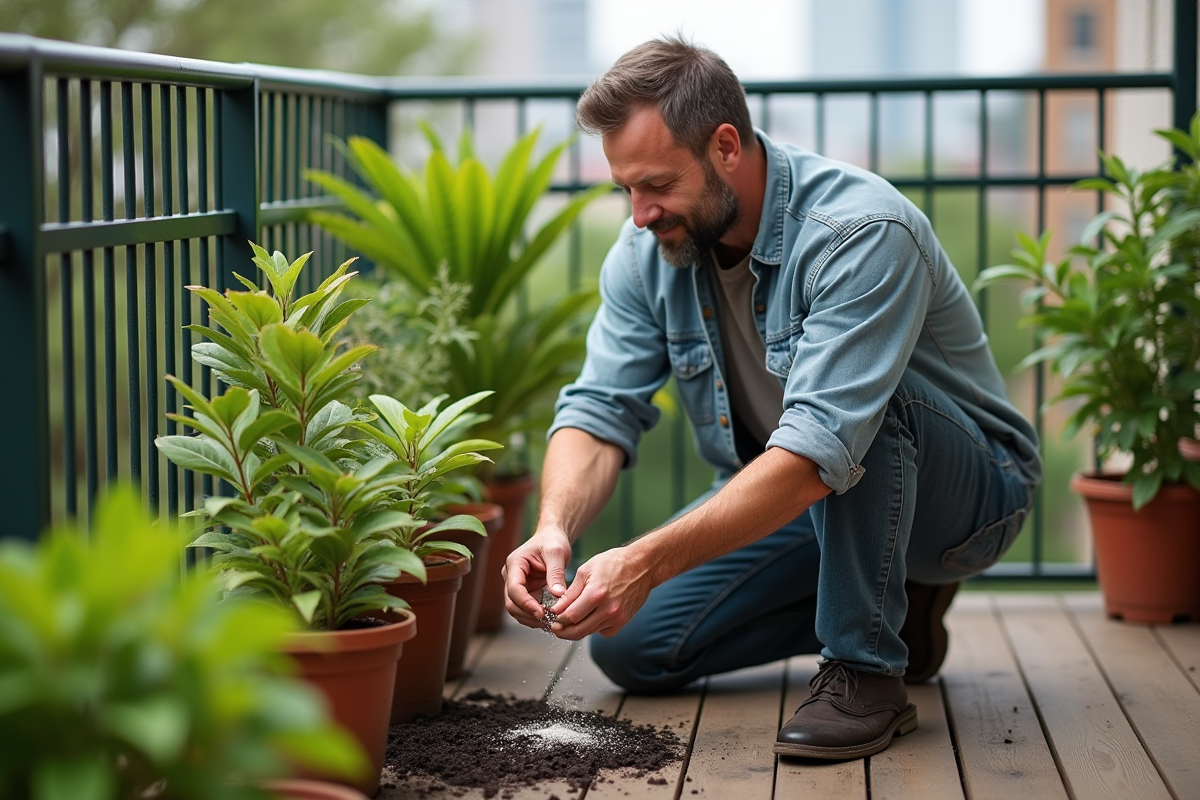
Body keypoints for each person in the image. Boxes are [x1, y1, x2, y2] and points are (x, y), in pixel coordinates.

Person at [502, 36, 1041, 760]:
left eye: (657, 185)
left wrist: (648, 559)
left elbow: (823, 444)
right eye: (625, 189)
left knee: (858, 421)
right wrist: (554, 528)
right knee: (630, 646)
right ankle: (902, 612)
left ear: (726, 145)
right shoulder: (645, 256)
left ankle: (865, 670)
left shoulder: (859, 232)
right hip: (810, 497)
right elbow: (598, 410)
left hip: (967, 498)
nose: (639, 215)